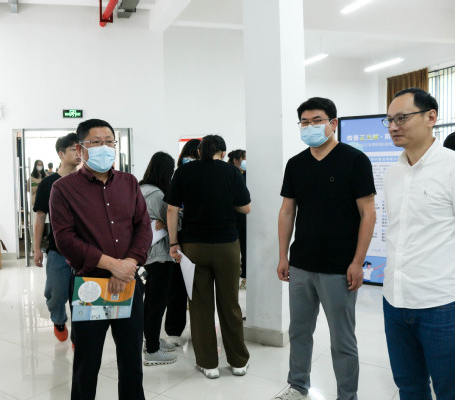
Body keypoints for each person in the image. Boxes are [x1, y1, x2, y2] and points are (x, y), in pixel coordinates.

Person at [275, 97, 376, 400]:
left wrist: (357, 262)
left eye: (317, 121)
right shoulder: (296, 164)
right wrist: (283, 256)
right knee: (299, 332)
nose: (310, 127)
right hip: (301, 264)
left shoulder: (355, 160)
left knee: (342, 339)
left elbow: (368, 213)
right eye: (304, 122)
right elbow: (287, 211)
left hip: (339, 267)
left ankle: (347, 395)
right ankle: (297, 386)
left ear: (333, 123)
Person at [49, 118, 152, 400]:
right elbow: (65, 239)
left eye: (109, 141)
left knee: (131, 359)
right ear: (80, 149)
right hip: (90, 285)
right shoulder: (63, 189)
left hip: (129, 281)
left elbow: (143, 227)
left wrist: (128, 264)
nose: (104, 147)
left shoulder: (129, 183)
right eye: (95, 142)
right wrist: (113, 265)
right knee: (87, 360)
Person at [382, 88, 455, 400]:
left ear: (431, 117)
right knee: (409, 387)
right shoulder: (392, 173)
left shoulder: (451, 167)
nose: (393, 126)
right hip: (394, 300)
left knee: (449, 389)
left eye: (402, 118)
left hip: (441, 303)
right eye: (389, 120)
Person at [166, 135, 251, 379]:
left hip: (194, 246)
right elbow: (246, 207)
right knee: (230, 304)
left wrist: (174, 243)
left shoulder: (184, 172)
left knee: (200, 306)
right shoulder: (231, 172)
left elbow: (171, 209)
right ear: (223, 153)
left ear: (199, 151)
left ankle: (208, 364)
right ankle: (238, 362)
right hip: (227, 246)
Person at [33, 133, 81, 341]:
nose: (78, 153)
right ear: (61, 154)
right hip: (57, 250)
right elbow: (40, 217)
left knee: (82, 295)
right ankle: (59, 320)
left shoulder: (85, 180)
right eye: (73, 149)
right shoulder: (49, 184)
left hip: (84, 250)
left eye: (80, 149)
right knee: (56, 294)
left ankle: (78, 335)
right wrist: (36, 249)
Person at [139, 152, 179, 366]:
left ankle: (150, 340)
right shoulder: (157, 195)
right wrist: (173, 218)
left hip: (147, 254)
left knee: (150, 301)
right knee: (157, 303)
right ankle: (153, 350)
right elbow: (174, 219)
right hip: (160, 255)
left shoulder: (140, 189)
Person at [165, 138, 201, 346]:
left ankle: (187, 331)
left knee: (191, 287)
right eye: (187, 156)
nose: (190, 160)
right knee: (179, 287)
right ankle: (175, 330)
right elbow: (171, 208)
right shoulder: (178, 176)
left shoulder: (205, 178)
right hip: (182, 237)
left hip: (190, 237)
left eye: (194, 157)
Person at [227, 149, 247, 289]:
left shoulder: (247, 175)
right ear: (235, 160)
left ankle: (245, 277)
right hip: (231, 218)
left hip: (244, 218)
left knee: (245, 248)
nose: (246, 161)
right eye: (243, 158)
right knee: (232, 249)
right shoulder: (229, 175)